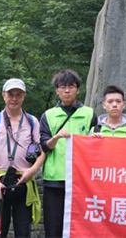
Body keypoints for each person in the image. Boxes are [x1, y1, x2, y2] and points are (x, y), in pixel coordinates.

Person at [39, 69, 98, 237]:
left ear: (78, 90)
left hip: (81, 181)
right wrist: (56, 137)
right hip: (55, 180)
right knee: (53, 227)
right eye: (62, 87)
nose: (67, 90)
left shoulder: (89, 114)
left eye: (71, 87)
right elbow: (44, 146)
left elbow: (95, 145)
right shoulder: (48, 116)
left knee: (80, 226)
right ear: (57, 90)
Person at [0, 78, 45, 237]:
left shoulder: (32, 121)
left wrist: (32, 171)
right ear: (3, 95)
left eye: (19, 94)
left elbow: (42, 150)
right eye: (11, 94)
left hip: (23, 180)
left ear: (24, 96)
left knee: (23, 230)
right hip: (1, 180)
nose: (14, 98)